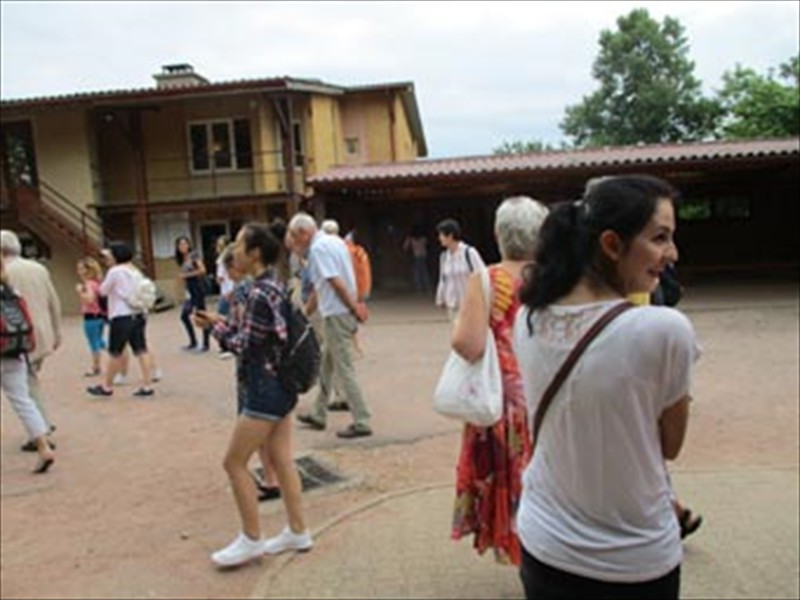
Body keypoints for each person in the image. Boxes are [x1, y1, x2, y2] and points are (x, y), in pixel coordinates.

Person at [512, 175, 700, 599]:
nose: (671, 254)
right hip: (634, 559)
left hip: (544, 544)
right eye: (659, 238)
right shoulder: (664, 329)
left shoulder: (528, 319)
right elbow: (671, 444)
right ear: (612, 245)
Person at [192, 222, 311, 567]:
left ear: (255, 253)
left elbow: (245, 346)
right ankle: (297, 530)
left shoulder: (258, 293)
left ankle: (251, 538)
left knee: (234, 462)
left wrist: (215, 327)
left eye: (241, 245)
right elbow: (258, 336)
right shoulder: (273, 284)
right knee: (282, 458)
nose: (234, 251)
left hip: (265, 388)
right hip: (281, 385)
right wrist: (219, 321)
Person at [450, 196, 549, 566]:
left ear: (498, 234)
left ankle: (521, 551)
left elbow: (468, 344)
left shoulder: (487, 279)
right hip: (547, 394)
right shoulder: (555, 277)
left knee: (508, 477)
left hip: (502, 402)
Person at [288, 213, 371, 439]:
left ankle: (362, 419)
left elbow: (334, 282)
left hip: (337, 312)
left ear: (304, 233)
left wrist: (353, 307)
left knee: (344, 368)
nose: (296, 244)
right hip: (338, 311)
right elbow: (323, 285)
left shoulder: (318, 249)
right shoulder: (335, 242)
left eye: (296, 238)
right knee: (327, 362)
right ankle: (318, 412)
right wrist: (306, 313)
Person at [220, 242, 281, 502]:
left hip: (254, 370)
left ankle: (270, 478)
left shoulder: (246, 292)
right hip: (271, 369)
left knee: (253, 433)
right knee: (273, 431)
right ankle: (274, 477)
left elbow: (243, 339)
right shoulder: (269, 285)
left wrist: (217, 330)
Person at [0, 229, 61, 451]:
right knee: (29, 380)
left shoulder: (7, 271)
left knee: (26, 384)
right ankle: (41, 428)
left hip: (11, 336)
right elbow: (53, 300)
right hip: (37, 334)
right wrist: (57, 330)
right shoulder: (38, 268)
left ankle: (41, 431)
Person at [87, 243, 154, 398]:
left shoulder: (115, 271)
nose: (106, 259)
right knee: (141, 349)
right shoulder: (134, 270)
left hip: (121, 315)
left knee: (115, 352)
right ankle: (147, 385)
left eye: (109, 255)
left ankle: (107, 386)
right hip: (138, 314)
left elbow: (103, 291)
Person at [435, 218, 485, 321]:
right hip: (453, 305)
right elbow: (443, 279)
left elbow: (482, 275)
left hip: (470, 305)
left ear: (450, 236)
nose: (439, 238)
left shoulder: (469, 253)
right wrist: (440, 297)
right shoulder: (444, 257)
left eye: (441, 235)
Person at [175, 235, 210, 352]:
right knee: (185, 316)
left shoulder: (193, 256)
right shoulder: (181, 259)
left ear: (189, 245)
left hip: (198, 287)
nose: (182, 246)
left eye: (184, 244)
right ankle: (193, 342)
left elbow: (202, 270)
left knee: (201, 315)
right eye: (180, 244)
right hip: (190, 289)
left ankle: (205, 344)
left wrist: (186, 275)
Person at [76, 257, 107, 377]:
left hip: (91, 317)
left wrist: (80, 292)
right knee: (98, 340)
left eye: (81, 269)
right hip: (99, 316)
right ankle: (115, 353)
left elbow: (89, 299)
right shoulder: (97, 283)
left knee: (94, 342)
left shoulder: (89, 284)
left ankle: (96, 367)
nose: (78, 271)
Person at [214, 234, 235, 359]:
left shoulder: (222, 260)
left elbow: (220, 278)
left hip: (226, 291)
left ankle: (225, 345)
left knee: (221, 318)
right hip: (230, 290)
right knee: (229, 317)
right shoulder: (230, 258)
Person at [403, 224, 432, 293]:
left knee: (417, 272)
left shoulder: (411, 238)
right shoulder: (423, 238)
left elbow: (405, 247)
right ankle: (427, 287)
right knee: (424, 272)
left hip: (416, 256)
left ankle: (419, 288)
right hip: (423, 256)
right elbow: (427, 244)